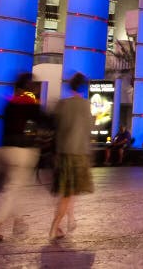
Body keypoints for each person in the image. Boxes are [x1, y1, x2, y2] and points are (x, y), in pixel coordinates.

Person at [0, 73, 49, 243]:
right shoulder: (29, 103)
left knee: (15, 187)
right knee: (13, 190)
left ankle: (18, 221)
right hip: (22, 152)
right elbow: (45, 120)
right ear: (28, 86)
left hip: (5, 149)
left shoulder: (9, 104)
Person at [49, 72, 94, 240]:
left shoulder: (62, 104)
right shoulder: (84, 104)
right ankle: (55, 226)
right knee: (68, 194)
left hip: (62, 153)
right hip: (77, 153)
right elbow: (89, 128)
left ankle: (69, 219)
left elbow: (55, 126)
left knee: (68, 192)